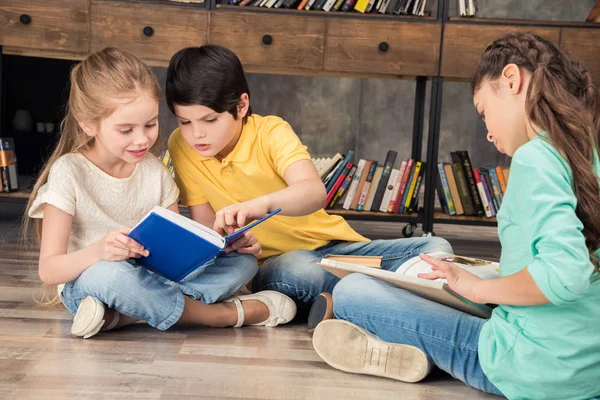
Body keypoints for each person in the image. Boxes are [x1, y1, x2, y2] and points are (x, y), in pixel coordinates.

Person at [312, 32, 600, 400]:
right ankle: (406, 353)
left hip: (531, 368)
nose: (488, 131)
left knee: (352, 291)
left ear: (511, 80)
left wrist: (478, 287)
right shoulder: (586, 153)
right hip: (588, 370)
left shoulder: (535, 158)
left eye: (484, 111)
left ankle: (408, 355)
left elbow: (566, 275)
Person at [165, 44, 452, 331]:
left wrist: (259, 205)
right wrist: (233, 244)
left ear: (241, 106)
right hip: (274, 265)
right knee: (298, 272)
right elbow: (207, 229)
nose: (197, 134)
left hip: (333, 249)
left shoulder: (271, 132)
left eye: (210, 120)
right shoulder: (181, 145)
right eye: (185, 122)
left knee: (436, 247)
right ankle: (376, 298)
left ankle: (351, 301)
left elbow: (314, 192)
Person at [25, 47, 296, 339]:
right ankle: (221, 315)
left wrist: (220, 246)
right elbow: (49, 271)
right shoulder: (70, 172)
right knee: (111, 275)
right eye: (126, 130)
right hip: (92, 283)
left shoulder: (155, 172)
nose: (142, 139)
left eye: (151, 125)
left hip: (153, 280)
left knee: (242, 262)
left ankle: (124, 315)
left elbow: (177, 254)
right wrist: (99, 251)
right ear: (88, 124)